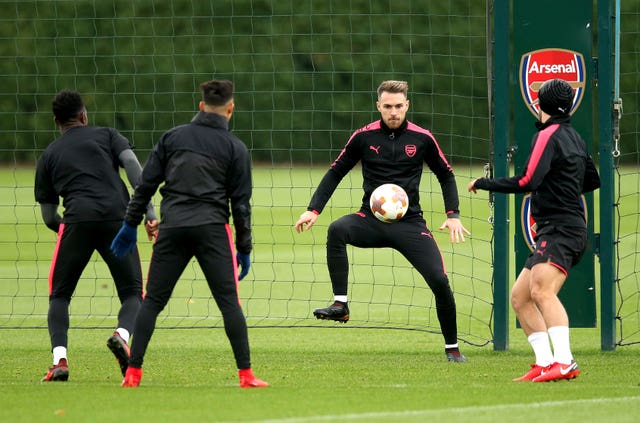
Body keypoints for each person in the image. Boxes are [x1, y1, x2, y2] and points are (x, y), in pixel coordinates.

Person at [295, 80, 471, 362]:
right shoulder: (363, 137)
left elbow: (446, 175)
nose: (393, 112)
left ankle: (452, 348)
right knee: (337, 229)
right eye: (387, 106)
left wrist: (453, 215)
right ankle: (341, 305)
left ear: (407, 105)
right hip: (370, 219)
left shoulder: (422, 138)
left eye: (398, 106)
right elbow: (336, 171)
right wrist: (313, 210)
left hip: (410, 223)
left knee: (439, 279)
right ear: (378, 106)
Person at [110, 79, 269, 388]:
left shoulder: (173, 138)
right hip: (212, 230)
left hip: (173, 228)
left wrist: (130, 224)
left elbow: (145, 185)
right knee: (229, 303)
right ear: (231, 108)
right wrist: (244, 247)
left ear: (200, 106)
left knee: (152, 301)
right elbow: (241, 205)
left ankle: (133, 373)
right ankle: (246, 375)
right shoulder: (235, 148)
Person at [468, 78, 601, 382]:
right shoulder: (575, 137)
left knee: (541, 291)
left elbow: (527, 180)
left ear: (541, 104)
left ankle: (565, 362)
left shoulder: (549, 134)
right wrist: (561, 185)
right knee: (521, 297)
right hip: (565, 228)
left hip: (560, 229)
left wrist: (485, 183)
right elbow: (592, 181)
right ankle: (545, 362)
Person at [34, 90, 157, 382]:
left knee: (60, 296)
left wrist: (75, 231)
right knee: (132, 292)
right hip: (117, 218)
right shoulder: (108, 135)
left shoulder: (49, 155)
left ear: (56, 122)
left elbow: (50, 217)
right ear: (84, 116)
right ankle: (122, 335)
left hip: (76, 220)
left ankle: (60, 361)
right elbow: (132, 166)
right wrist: (149, 212)